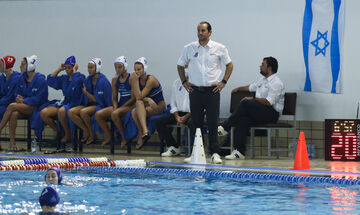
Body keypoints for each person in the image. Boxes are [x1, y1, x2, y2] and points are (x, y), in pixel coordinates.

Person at [177, 21, 233, 164]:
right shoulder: (189, 48)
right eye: (198, 30)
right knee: (196, 123)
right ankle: (196, 152)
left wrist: (223, 82)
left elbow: (229, 65)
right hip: (195, 90)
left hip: (212, 91)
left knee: (213, 122)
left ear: (210, 32)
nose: (200, 33)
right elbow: (180, 65)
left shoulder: (219, 48)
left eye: (203, 30)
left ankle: (215, 153)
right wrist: (184, 82)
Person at [218, 57, 285, 159]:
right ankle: (239, 152)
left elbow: (269, 102)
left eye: (263, 64)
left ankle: (225, 127)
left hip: (271, 114)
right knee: (242, 119)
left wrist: (254, 99)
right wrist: (237, 89)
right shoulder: (263, 80)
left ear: (269, 68)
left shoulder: (276, 82)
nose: (260, 66)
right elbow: (250, 87)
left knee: (246, 103)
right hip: (262, 112)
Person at [0, 55, 48, 152]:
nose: (20, 67)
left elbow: (39, 99)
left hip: (36, 107)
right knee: (13, 114)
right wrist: (18, 98)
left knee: (12, 106)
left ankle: (0, 128)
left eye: (22, 65)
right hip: (24, 107)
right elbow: (17, 93)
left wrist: (24, 100)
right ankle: (12, 145)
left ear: (30, 66)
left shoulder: (40, 80)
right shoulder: (22, 78)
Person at [41, 56, 85, 144]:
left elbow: (76, 83)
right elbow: (50, 80)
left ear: (74, 68)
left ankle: (68, 134)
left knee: (61, 111)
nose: (67, 70)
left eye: (69, 68)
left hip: (76, 103)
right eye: (66, 68)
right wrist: (59, 69)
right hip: (65, 103)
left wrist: (75, 71)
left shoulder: (80, 77)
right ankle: (58, 132)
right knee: (44, 113)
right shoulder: (64, 78)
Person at [68, 58, 112, 145]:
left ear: (97, 68)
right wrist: (74, 71)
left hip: (101, 105)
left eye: (91, 67)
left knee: (83, 112)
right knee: (71, 112)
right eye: (88, 67)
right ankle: (86, 130)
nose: (89, 70)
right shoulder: (87, 80)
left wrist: (86, 93)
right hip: (89, 104)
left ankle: (92, 135)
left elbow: (98, 100)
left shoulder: (104, 81)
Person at [97, 56, 134, 146]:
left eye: (119, 67)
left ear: (125, 66)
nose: (117, 70)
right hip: (121, 105)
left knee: (115, 114)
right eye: (116, 67)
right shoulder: (115, 80)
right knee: (98, 114)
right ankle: (110, 136)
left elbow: (134, 98)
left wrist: (119, 108)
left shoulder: (131, 78)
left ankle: (124, 137)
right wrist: (115, 107)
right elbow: (114, 98)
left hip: (130, 105)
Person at [156, 64, 192, 157]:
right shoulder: (176, 83)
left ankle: (193, 150)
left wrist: (186, 117)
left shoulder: (197, 83)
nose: (185, 69)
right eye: (184, 67)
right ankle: (174, 146)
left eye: (187, 67)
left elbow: (199, 105)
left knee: (193, 123)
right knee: (159, 121)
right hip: (178, 113)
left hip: (192, 113)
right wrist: (177, 116)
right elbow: (173, 102)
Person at [130, 57, 166, 150]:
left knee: (137, 107)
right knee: (134, 110)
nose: (137, 72)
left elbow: (139, 96)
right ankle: (144, 132)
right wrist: (148, 99)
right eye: (135, 70)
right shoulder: (136, 79)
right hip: (146, 105)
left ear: (144, 69)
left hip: (158, 106)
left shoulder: (151, 79)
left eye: (139, 69)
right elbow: (135, 97)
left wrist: (134, 81)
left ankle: (143, 133)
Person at [0, 56, 21, 120]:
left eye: (0, 65)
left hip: (11, 105)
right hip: (3, 103)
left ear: (7, 66)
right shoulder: (2, 78)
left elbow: (10, 98)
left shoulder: (17, 78)